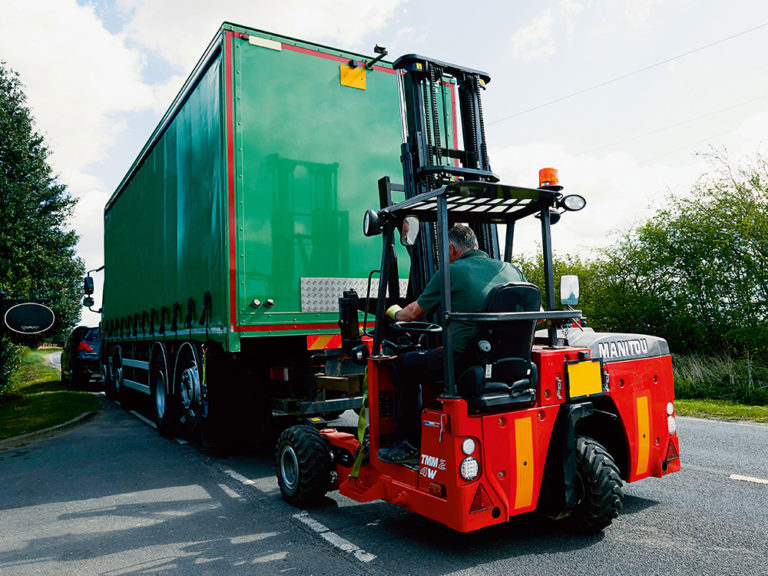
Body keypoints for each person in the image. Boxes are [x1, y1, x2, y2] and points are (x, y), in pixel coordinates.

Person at [378, 224, 526, 464]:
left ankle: (410, 442)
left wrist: (393, 313)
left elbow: (413, 313)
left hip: (463, 361)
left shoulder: (451, 272)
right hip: (509, 363)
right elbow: (537, 314)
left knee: (402, 365)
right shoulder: (511, 270)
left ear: (450, 248)